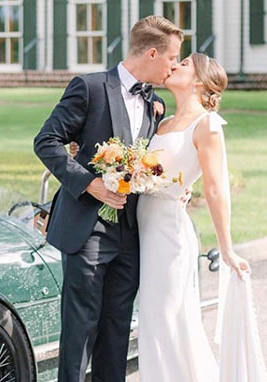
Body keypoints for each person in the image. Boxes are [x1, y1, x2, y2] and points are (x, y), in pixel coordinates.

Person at [33, 16, 183, 382]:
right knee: (79, 330)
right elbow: (47, 141)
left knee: (116, 334)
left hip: (130, 235)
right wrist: (90, 184)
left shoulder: (155, 103)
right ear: (151, 52)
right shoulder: (89, 87)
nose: (175, 66)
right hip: (87, 230)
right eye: (172, 58)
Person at [137, 53, 251, 381]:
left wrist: (226, 248)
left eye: (183, 64)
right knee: (154, 322)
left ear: (199, 81)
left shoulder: (208, 125)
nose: (174, 66)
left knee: (167, 322)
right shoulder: (161, 123)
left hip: (169, 237)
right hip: (144, 230)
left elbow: (216, 190)